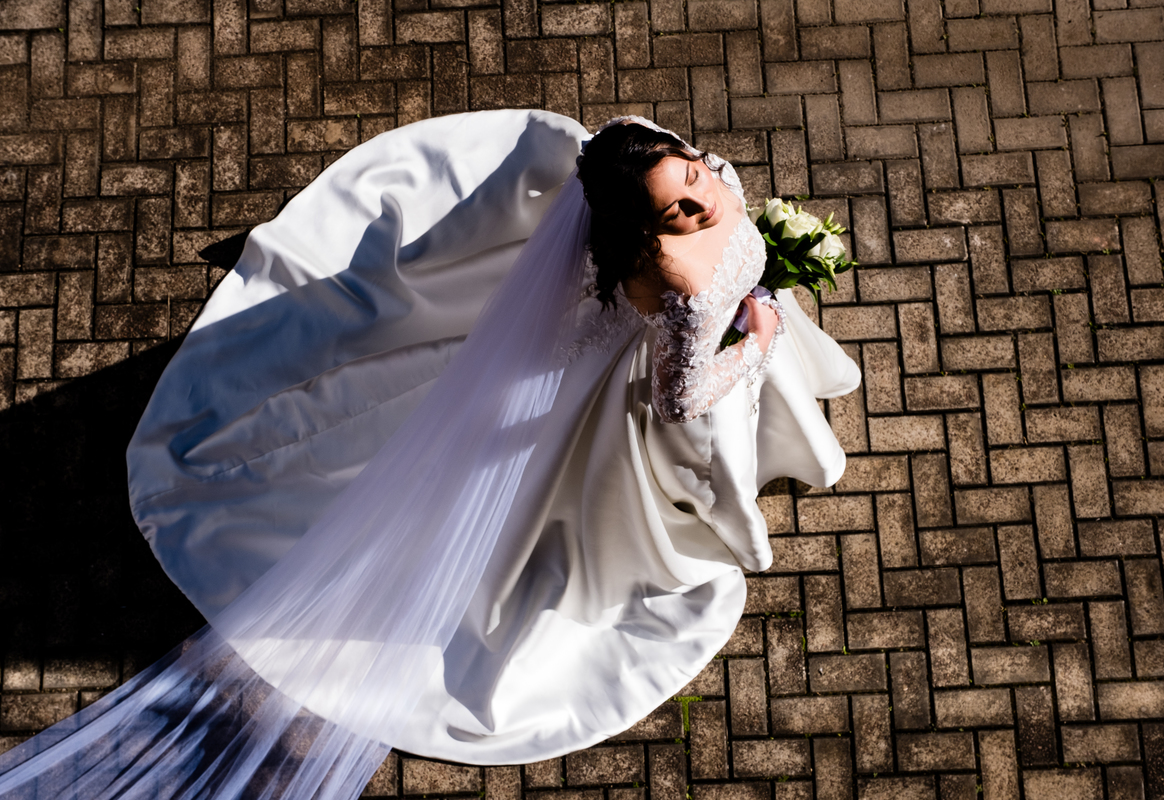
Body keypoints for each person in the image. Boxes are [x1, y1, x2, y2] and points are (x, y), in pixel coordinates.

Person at [0, 111, 859, 798]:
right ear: (646, 231)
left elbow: (654, 162)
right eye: (680, 209)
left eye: (697, 178)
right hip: (634, 377)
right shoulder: (680, 280)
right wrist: (757, 338)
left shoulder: (686, 175)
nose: (707, 205)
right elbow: (678, 398)